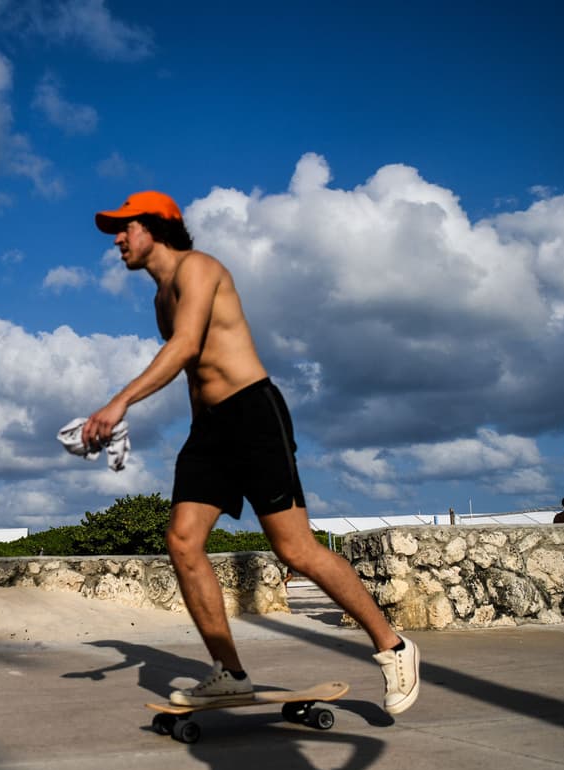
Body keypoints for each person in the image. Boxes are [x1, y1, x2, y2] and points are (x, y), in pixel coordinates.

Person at [81, 190, 420, 715]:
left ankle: (393, 647)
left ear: (159, 227)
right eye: (116, 230)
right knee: (182, 541)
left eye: (126, 227)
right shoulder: (158, 299)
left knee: (296, 550)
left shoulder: (199, 268)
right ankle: (230, 673)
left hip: (253, 415)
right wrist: (196, 443)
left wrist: (118, 402)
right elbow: (193, 374)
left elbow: (187, 345)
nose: (118, 239)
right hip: (210, 429)